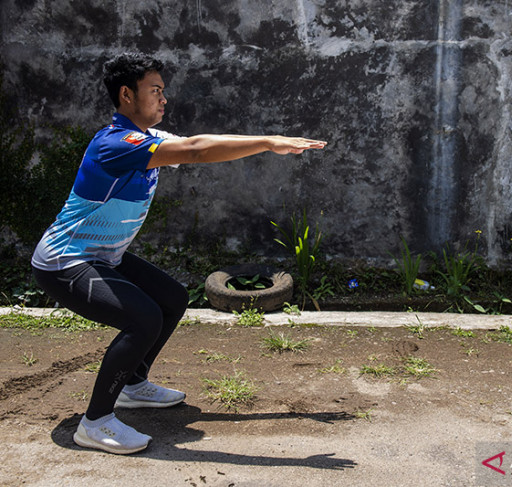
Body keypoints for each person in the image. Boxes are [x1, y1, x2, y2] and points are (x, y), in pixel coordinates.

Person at [31, 52, 326, 455]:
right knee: (143, 318)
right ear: (126, 95)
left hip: (102, 256)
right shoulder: (115, 144)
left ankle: (132, 385)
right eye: (155, 91)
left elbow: (199, 143)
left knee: (171, 299)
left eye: (163, 91)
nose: (164, 99)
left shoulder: (147, 139)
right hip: (66, 260)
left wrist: (267, 141)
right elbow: (196, 151)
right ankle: (95, 423)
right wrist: (269, 142)